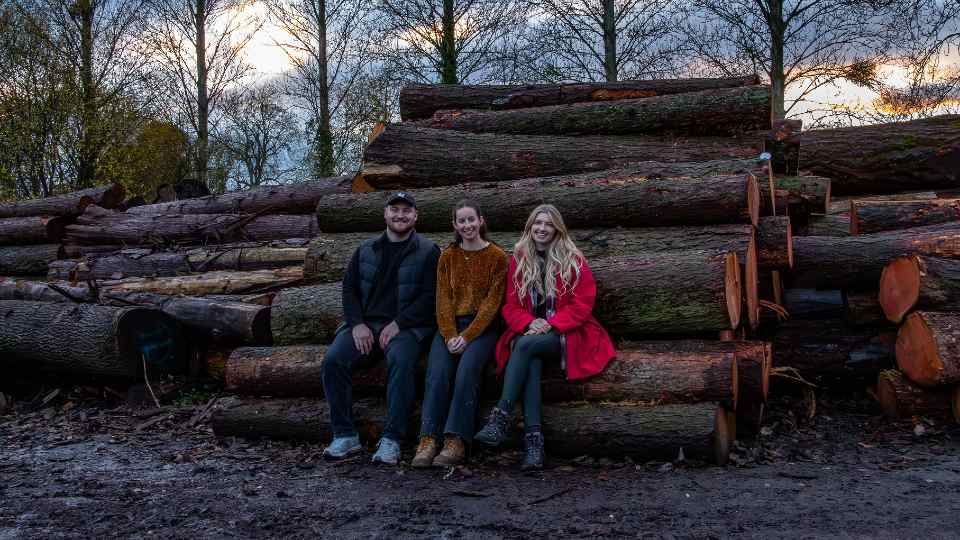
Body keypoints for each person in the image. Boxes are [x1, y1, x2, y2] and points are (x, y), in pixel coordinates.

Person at [474, 204, 615, 470]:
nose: (542, 228)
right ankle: (534, 445)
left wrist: (549, 324)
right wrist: (529, 322)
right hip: (531, 335)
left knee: (526, 344)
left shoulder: (572, 259)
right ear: (530, 227)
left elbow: (583, 304)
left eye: (548, 224)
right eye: (537, 223)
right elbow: (510, 306)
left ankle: (501, 416)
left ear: (557, 229)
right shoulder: (519, 258)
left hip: (567, 334)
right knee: (531, 357)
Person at [321, 191, 440, 465]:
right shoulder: (365, 249)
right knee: (333, 361)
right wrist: (357, 324)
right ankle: (345, 435)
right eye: (395, 210)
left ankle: (392, 440)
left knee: (401, 362)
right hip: (365, 325)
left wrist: (399, 323)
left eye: (406, 211)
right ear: (385, 214)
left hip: (407, 328)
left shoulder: (428, 251)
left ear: (415, 216)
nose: (400, 215)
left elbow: (430, 297)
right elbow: (349, 290)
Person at [411, 200, 508, 468]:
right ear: (454, 225)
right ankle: (428, 437)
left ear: (481, 221)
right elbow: (442, 299)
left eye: (471, 220)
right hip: (450, 326)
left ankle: (456, 439)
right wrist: (450, 334)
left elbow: (492, 304)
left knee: (466, 371)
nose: (467, 225)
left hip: (483, 328)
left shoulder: (498, 257)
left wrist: (467, 337)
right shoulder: (448, 257)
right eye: (461, 221)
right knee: (438, 371)